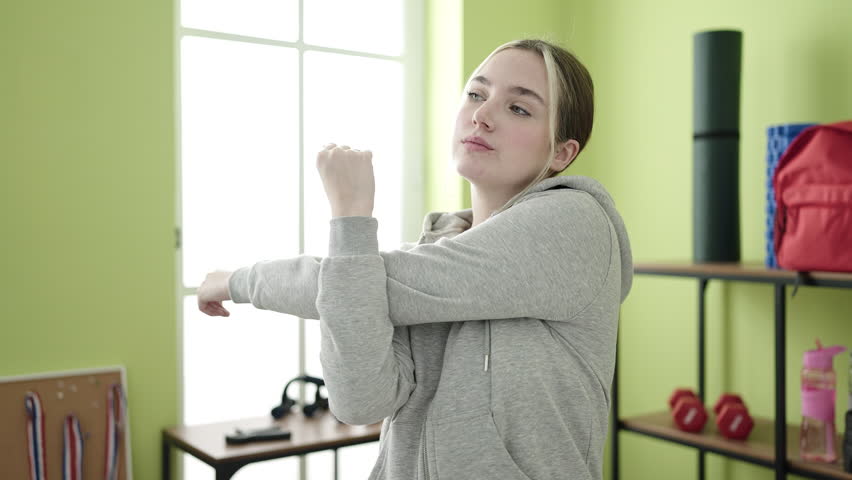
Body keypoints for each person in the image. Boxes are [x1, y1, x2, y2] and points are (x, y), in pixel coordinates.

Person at [198, 38, 632, 480]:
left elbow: (366, 282)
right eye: (476, 94)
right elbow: (360, 401)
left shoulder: (575, 222)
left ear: (562, 152)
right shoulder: (433, 253)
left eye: (518, 108)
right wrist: (350, 224)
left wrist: (239, 280)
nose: (482, 115)